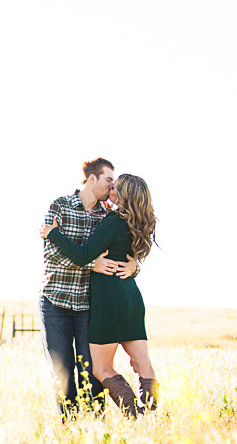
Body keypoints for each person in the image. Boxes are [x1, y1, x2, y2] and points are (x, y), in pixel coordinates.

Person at [40, 173, 158, 416]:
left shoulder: (113, 221)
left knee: (101, 369)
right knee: (143, 365)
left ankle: (133, 413)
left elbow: (84, 256)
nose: (111, 189)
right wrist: (135, 266)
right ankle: (152, 416)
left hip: (108, 300)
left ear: (123, 195)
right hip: (131, 298)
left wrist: (54, 234)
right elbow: (129, 257)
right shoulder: (140, 222)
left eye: (115, 187)